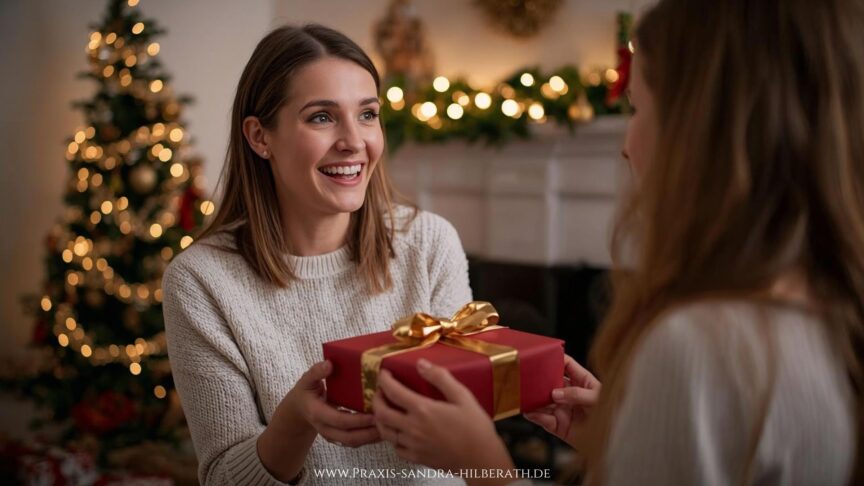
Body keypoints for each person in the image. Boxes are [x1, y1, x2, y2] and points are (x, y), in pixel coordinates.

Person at [372, 0, 864, 484]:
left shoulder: (699, 345)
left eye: (637, 107)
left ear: (700, 132)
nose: (627, 145)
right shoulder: (829, 310)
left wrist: (483, 464)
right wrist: (622, 439)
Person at [162, 24, 472, 485]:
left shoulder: (429, 243)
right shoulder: (201, 281)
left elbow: (469, 441)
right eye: (322, 117)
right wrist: (295, 421)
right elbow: (225, 478)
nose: (354, 141)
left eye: (367, 115)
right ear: (259, 137)